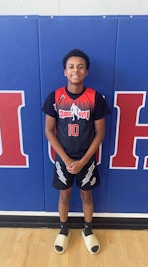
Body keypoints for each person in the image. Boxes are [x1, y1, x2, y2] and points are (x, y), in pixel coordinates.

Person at [42, 49, 110, 255]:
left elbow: (100, 133)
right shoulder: (55, 97)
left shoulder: (95, 98)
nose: (76, 70)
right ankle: (63, 229)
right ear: (65, 71)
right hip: (63, 159)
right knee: (64, 195)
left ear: (86, 72)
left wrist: (83, 161)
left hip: (86, 160)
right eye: (71, 66)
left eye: (80, 67)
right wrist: (65, 158)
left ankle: (87, 230)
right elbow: (48, 130)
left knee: (86, 196)